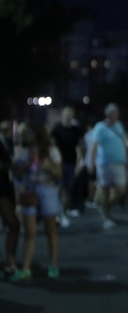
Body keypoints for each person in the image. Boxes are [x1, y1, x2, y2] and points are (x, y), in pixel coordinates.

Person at [10, 122, 63, 281]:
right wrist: (24, 164)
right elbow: (16, 175)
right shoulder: (25, 152)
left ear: (37, 134)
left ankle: (53, 265)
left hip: (47, 189)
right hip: (30, 190)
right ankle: (26, 268)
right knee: (29, 231)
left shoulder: (51, 151)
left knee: (51, 229)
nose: (26, 135)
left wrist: (49, 166)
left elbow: (59, 175)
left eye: (29, 133)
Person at [88, 103, 128, 230]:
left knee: (121, 189)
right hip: (104, 163)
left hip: (119, 162)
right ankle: (106, 217)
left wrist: (126, 156)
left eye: (117, 113)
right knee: (104, 189)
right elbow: (94, 145)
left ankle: (105, 206)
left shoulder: (119, 125)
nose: (115, 115)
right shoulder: (100, 127)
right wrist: (92, 162)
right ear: (108, 114)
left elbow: (124, 141)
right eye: (113, 113)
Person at [51, 106, 84, 225]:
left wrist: (80, 161)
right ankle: (56, 214)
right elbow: (52, 145)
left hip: (71, 162)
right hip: (58, 163)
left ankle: (63, 213)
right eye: (67, 113)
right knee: (58, 189)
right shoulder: (57, 128)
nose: (69, 116)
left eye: (71, 114)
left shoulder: (76, 129)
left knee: (67, 190)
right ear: (62, 115)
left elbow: (80, 146)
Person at [0, 125, 20, 277]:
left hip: (4, 187)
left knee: (13, 224)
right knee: (13, 223)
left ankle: (10, 260)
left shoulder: (3, 141)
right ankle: (8, 262)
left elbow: (9, 162)